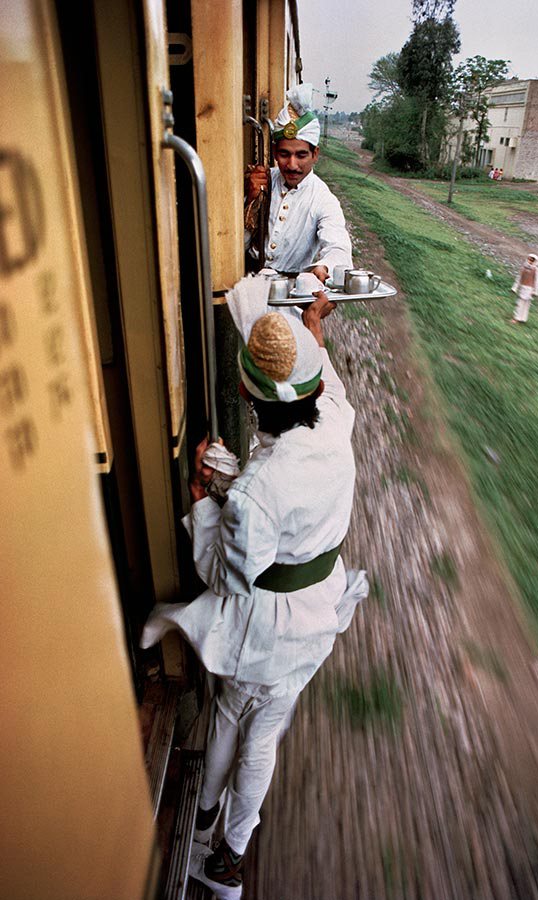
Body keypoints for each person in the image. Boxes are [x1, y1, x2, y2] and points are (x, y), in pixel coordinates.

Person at [141, 276, 367, 899]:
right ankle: (229, 860)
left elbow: (225, 573)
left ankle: (205, 827)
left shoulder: (254, 492)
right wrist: (314, 326)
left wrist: (202, 504)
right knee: (265, 734)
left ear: (244, 392)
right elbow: (322, 378)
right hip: (318, 612)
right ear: (316, 383)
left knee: (228, 716)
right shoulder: (338, 419)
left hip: (266, 630)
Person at [245, 83, 353, 283]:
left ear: (315, 154)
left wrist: (325, 265)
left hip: (292, 296)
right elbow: (234, 244)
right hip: (248, 286)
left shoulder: (322, 198)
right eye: (284, 154)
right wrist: (250, 200)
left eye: (301, 155)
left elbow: (339, 248)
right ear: (275, 152)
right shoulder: (260, 181)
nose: (292, 165)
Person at [511, 253, 538, 323]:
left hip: (529, 289)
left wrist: (535, 291)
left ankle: (523, 318)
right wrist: (514, 288)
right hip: (522, 288)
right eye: (529, 259)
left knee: (526, 304)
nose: (530, 261)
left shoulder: (536, 270)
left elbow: (537, 281)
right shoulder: (523, 268)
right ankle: (516, 318)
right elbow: (519, 278)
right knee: (520, 303)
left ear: (535, 261)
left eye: (532, 260)